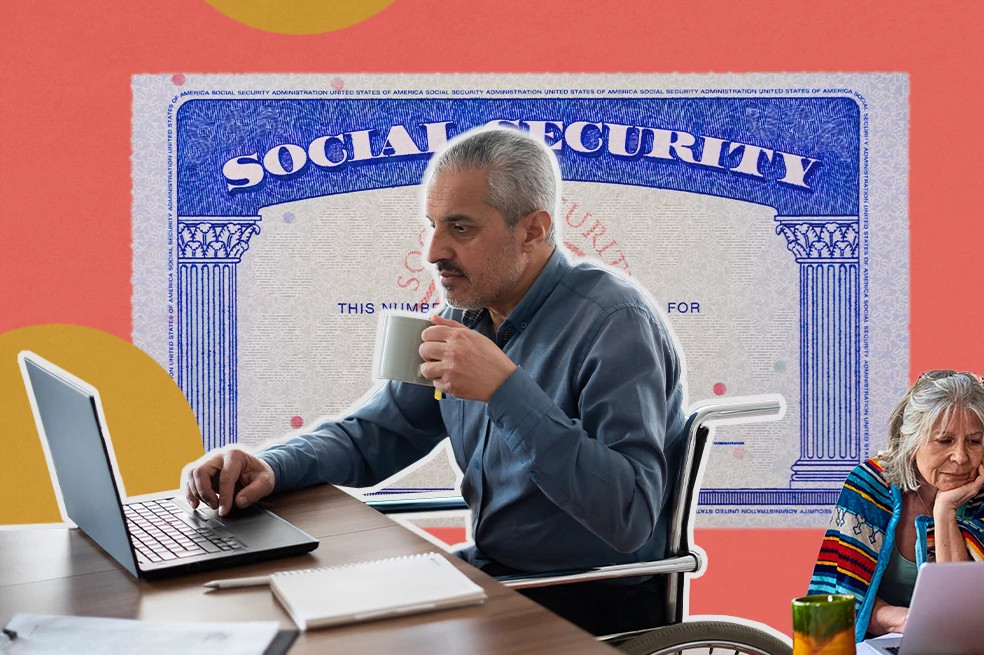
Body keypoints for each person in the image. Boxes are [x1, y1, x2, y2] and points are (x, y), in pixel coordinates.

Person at [182, 126, 688, 635]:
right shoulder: (461, 315)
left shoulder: (616, 323)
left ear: (533, 230)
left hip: (588, 598)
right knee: (292, 619)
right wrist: (270, 464)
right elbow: (376, 434)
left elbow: (630, 516)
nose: (433, 252)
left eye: (460, 228)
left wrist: (506, 390)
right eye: (432, 225)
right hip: (494, 577)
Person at [807, 370, 984, 642]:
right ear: (910, 441)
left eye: (973, 441)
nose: (960, 457)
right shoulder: (869, 485)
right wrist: (904, 620)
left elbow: (976, 612)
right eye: (944, 440)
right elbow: (841, 598)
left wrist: (945, 512)